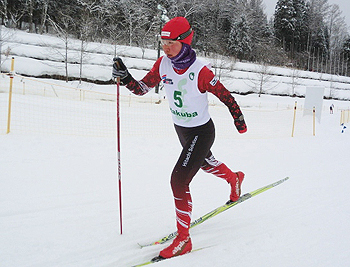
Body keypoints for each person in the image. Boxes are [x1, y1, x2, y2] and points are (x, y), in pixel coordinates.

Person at [112, 17, 247, 259]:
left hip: (201, 132)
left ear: (185, 42)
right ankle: (234, 179)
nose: (165, 47)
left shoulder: (200, 71)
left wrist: (239, 120)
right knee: (205, 163)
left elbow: (225, 95)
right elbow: (143, 88)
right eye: (162, 42)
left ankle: (183, 240)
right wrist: (126, 78)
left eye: (171, 42)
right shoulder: (163, 64)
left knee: (179, 180)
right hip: (182, 130)